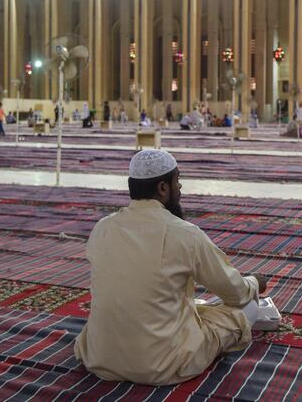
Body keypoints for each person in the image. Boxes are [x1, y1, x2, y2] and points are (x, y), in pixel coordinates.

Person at [74, 150, 267, 385]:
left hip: (99, 357)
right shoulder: (185, 234)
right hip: (162, 364)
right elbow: (235, 293)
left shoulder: (102, 228)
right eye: (177, 180)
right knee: (247, 309)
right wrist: (255, 283)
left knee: (188, 305)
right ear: (163, 188)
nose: (180, 187)